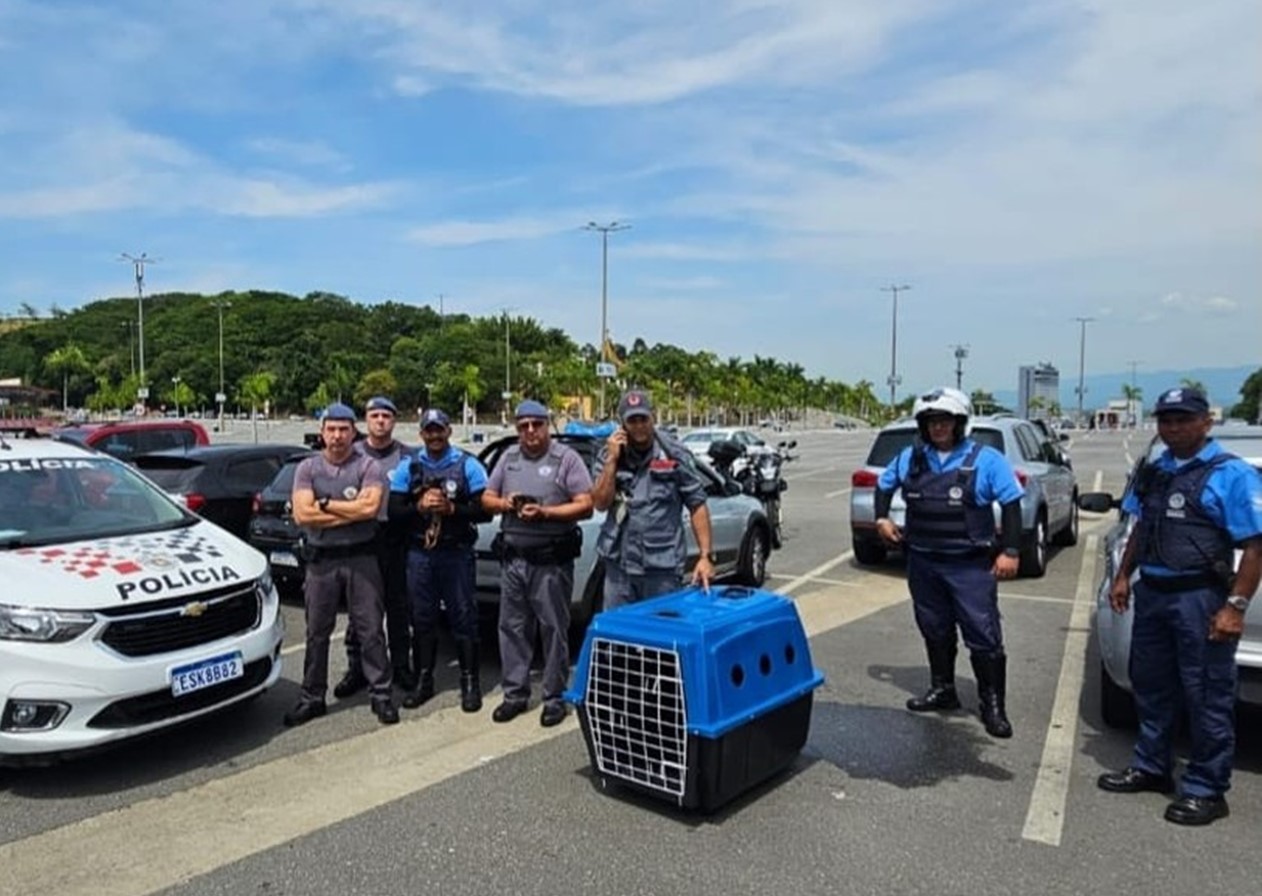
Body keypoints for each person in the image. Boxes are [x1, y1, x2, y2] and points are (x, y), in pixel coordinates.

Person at [1097, 386, 1262, 826]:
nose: (1172, 428)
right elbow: (1139, 527)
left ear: (1206, 422)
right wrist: (1121, 577)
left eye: (1183, 419)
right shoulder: (1156, 470)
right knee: (1151, 686)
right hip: (1152, 592)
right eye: (1166, 420)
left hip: (1200, 598)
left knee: (1206, 693)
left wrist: (1235, 607)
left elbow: (1255, 548)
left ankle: (1208, 788)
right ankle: (1152, 766)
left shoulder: (1230, 474)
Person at [873, 386, 1024, 739]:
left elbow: (1012, 503)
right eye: (930, 422)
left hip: (969, 564)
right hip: (924, 562)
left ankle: (992, 704)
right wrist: (882, 518)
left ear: (959, 423)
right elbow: (883, 485)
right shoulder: (910, 459)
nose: (938, 428)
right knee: (934, 628)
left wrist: (1011, 552)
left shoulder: (986, 460)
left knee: (983, 635)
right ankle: (943, 689)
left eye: (944, 421)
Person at [285, 402, 399, 727]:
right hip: (322, 563)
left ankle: (381, 695)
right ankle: (312, 697)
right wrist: (348, 509)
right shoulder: (307, 468)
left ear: (353, 432)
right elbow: (302, 515)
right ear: (322, 433)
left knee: (371, 630)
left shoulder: (368, 467)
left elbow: (370, 509)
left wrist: (326, 506)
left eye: (343, 430)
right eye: (331, 430)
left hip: (362, 558)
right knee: (317, 632)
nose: (337, 436)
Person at [481, 399, 593, 727]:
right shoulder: (509, 458)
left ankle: (554, 696)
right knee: (512, 628)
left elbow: (585, 505)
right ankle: (515, 693)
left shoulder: (566, 459)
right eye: (523, 426)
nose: (530, 431)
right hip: (514, 561)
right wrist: (506, 503)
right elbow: (486, 499)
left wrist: (546, 513)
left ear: (547, 424)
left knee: (553, 629)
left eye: (537, 424)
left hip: (550, 562)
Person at [388, 408, 491, 712]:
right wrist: (419, 505)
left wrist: (453, 510)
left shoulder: (467, 465)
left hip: (456, 553)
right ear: (421, 434)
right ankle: (424, 680)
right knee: (422, 619)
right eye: (428, 431)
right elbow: (394, 512)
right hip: (420, 554)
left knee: (463, 617)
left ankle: (470, 682)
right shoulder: (410, 466)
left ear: (449, 431)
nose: (434, 436)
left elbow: (486, 511)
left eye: (439, 430)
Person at [591, 388, 714, 609]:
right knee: (619, 638)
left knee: (662, 637)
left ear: (652, 417)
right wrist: (611, 462)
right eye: (632, 420)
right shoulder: (609, 454)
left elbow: (697, 504)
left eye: (643, 419)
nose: (638, 426)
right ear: (622, 424)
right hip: (619, 569)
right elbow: (600, 503)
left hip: (661, 570)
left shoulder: (674, 453)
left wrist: (705, 556)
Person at [333, 395, 415, 698]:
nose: (380, 421)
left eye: (386, 416)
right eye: (375, 415)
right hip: (359, 539)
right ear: (366, 420)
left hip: (394, 540)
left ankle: (402, 667)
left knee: (398, 607)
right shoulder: (350, 454)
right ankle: (358, 668)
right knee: (360, 611)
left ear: (394, 420)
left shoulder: (408, 457)